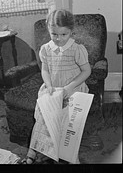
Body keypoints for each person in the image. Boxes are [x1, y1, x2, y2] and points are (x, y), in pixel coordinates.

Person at [20, 9, 91, 164]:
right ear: (49, 30)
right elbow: (45, 69)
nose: (59, 39)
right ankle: (33, 151)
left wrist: (70, 87)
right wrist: (48, 84)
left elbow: (86, 71)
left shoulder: (77, 49)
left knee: (69, 121)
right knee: (42, 117)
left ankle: (72, 155)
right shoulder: (45, 49)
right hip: (53, 88)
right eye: (54, 34)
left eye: (63, 34)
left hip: (73, 88)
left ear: (71, 31)